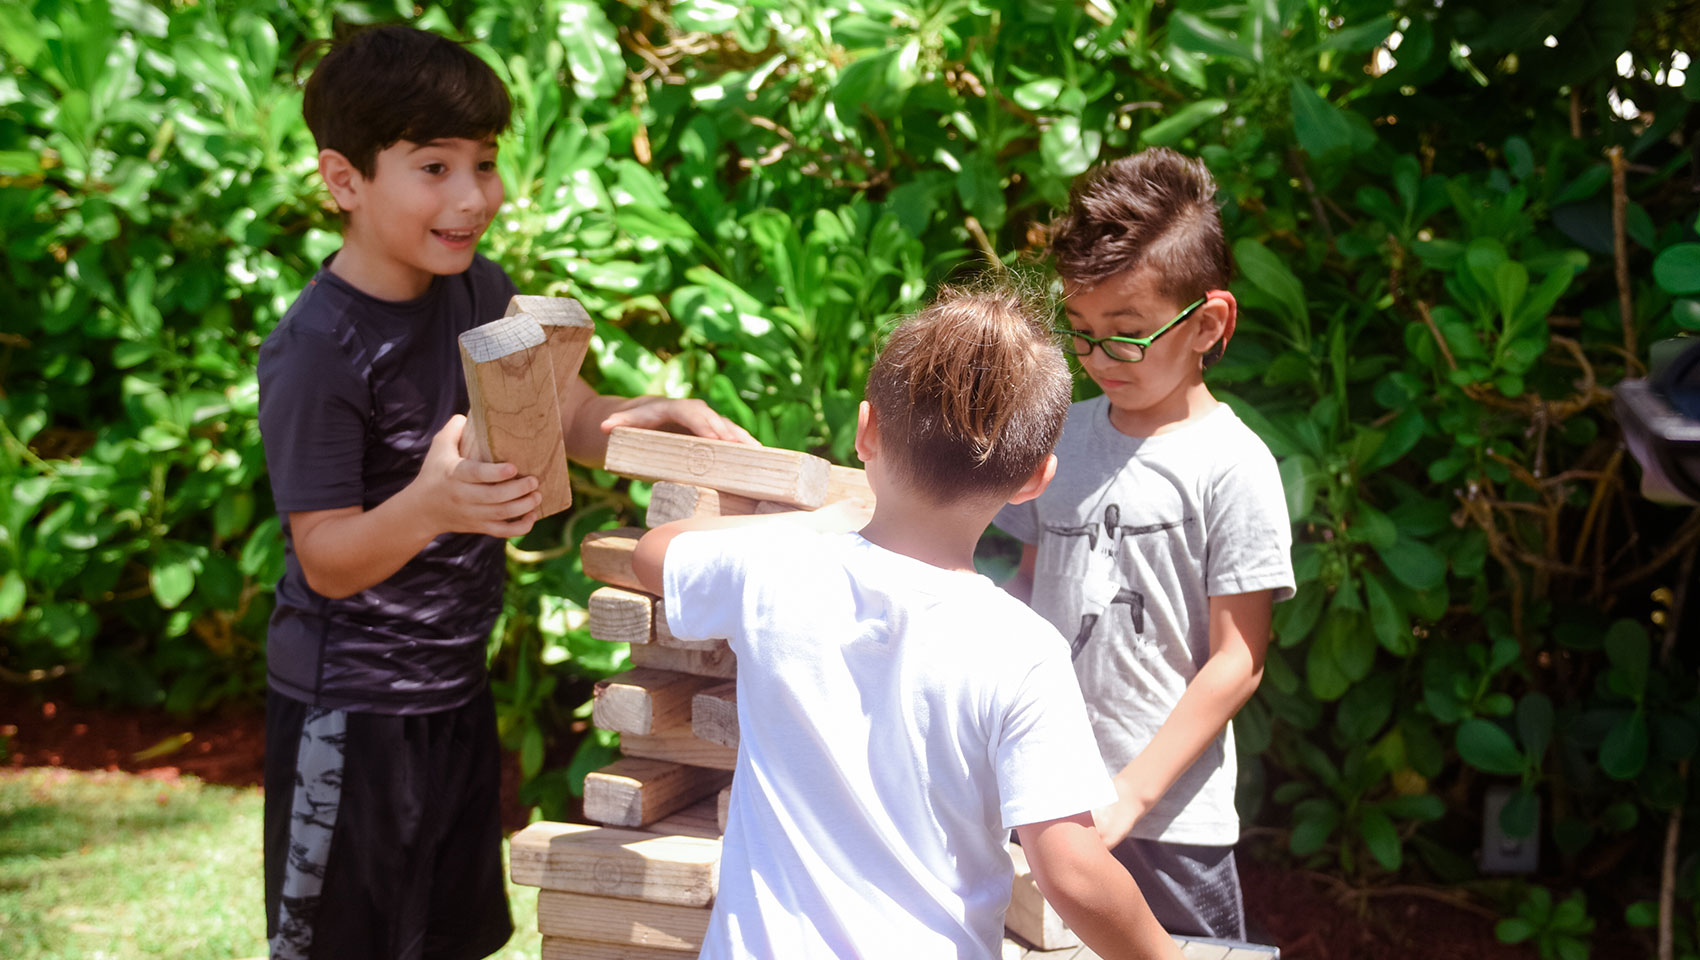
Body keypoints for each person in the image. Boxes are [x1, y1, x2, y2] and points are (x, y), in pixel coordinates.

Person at [255, 24, 751, 960]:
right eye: (433, 167)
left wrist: (647, 417)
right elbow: (324, 560)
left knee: (452, 938)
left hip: (452, 690)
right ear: (344, 179)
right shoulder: (317, 351)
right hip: (350, 711)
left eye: (483, 163)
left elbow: (559, 415)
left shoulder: (480, 293)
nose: (473, 195)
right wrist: (432, 506)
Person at [631, 283, 1183, 960]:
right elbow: (1071, 870)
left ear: (867, 431)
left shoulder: (778, 570)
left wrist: (811, 522)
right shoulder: (1022, 650)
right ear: (1036, 479)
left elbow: (652, 556)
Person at [993, 148, 1295, 941]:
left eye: (1125, 336)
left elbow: (1239, 660)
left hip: (1170, 827)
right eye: (1081, 333)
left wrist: (1131, 792)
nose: (1097, 359)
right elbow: (1032, 581)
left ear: (1208, 325)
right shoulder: (1062, 434)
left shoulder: (1234, 465)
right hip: (1048, 799)